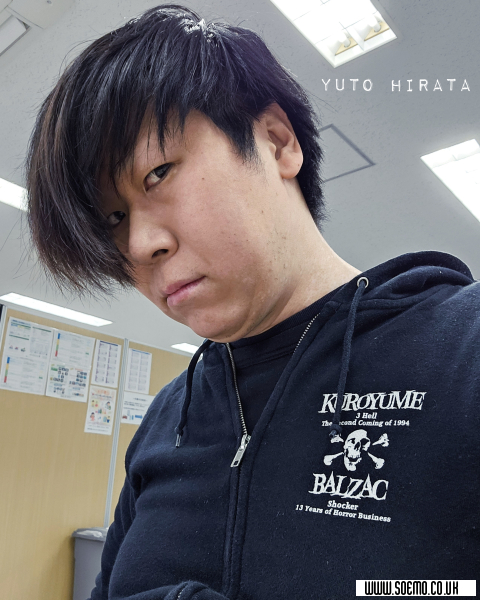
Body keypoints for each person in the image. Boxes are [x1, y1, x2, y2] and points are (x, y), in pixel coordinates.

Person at [25, 5, 479, 599]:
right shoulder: (167, 419)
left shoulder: (464, 350)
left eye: (158, 173)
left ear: (276, 141)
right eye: (114, 218)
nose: (138, 244)